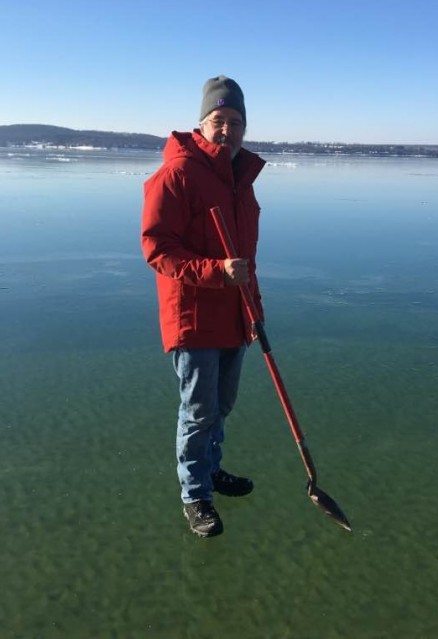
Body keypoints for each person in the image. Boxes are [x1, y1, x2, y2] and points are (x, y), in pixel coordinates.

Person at [141, 76, 266, 538]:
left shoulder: (241, 181)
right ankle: (195, 495)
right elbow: (157, 247)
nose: (228, 130)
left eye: (236, 122)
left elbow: (247, 261)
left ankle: (211, 470)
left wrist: (255, 307)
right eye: (219, 121)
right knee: (198, 411)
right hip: (193, 317)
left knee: (221, 405)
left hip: (235, 314)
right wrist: (216, 272)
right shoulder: (177, 174)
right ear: (202, 123)